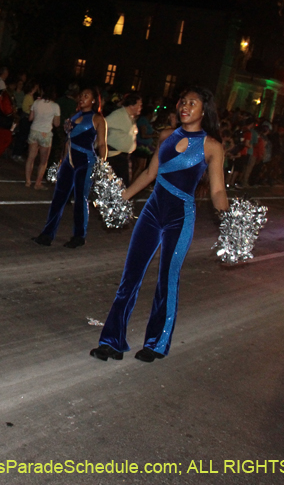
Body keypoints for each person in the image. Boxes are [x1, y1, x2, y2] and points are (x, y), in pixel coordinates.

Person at [91, 86, 228, 363]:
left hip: (181, 216)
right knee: (130, 277)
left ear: (204, 111)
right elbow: (150, 174)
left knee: (167, 280)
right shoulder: (166, 136)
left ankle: (155, 343)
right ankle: (112, 342)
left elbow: (217, 191)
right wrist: (119, 199)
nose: (185, 106)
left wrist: (229, 222)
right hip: (152, 211)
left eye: (193, 103)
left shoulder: (211, 145)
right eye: (183, 101)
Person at [32, 88, 107, 249]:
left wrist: (102, 166)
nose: (82, 98)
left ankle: (79, 236)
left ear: (94, 100)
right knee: (58, 198)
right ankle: (47, 234)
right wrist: (62, 161)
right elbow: (68, 141)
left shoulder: (98, 119)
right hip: (68, 162)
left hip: (85, 162)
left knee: (80, 199)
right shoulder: (74, 116)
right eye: (81, 96)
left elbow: (102, 144)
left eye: (86, 96)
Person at [24, 84, 61, 189]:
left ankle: (27, 181)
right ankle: (38, 183)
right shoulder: (55, 106)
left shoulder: (36, 102)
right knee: (43, 161)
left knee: (30, 157)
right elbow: (57, 124)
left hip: (34, 131)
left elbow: (30, 118)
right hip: (45, 133)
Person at [105, 93, 142, 185]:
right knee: (120, 183)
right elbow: (102, 124)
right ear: (132, 105)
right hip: (114, 156)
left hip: (124, 156)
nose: (141, 108)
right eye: (139, 105)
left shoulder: (130, 117)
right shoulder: (118, 115)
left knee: (123, 183)